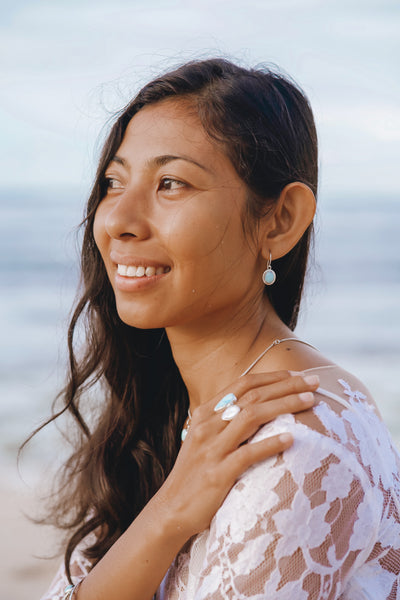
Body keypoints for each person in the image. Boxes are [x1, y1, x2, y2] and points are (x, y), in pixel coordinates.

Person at [38, 58, 400, 600]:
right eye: (114, 182)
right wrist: (167, 513)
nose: (117, 220)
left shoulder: (295, 447)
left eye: (171, 183)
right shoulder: (182, 419)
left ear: (280, 220)